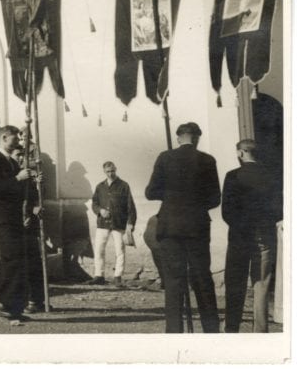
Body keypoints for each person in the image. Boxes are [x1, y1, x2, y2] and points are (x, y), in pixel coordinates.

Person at [145, 122, 221, 333]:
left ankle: (174, 332)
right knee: (202, 279)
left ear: (178, 138)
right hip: (197, 227)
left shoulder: (165, 158)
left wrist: (171, 195)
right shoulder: (207, 160)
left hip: (170, 228)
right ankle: (212, 332)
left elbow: (151, 192)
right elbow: (215, 198)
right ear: (197, 138)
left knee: (173, 281)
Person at [222, 139, 283, 333]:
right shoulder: (272, 176)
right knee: (262, 282)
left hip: (240, 236)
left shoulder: (232, 176)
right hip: (264, 234)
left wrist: (240, 226)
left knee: (235, 281)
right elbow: (278, 209)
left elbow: (227, 211)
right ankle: (261, 330)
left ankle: (232, 327)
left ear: (241, 153)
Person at [0, 125, 38, 321]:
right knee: (12, 260)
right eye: (14, 139)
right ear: (4, 137)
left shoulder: (12, 162)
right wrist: (18, 178)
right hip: (2, 217)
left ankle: (14, 308)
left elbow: (20, 188)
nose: (18, 142)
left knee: (18, 261)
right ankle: (2, 300)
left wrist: (33, 178)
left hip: (15, 216)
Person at [11, 145, 47, 313]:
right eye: (17, 155)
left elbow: (34, 200)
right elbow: (6, 200)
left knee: (35, 264)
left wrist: (39, 186)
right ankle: (24, 301)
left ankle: (37, 299)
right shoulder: (10, 177)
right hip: (16, 227)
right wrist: (21, 215)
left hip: (30, 227)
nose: (20, 158)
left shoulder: (29, 178)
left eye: (21, 156)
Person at [89, 161, 137, 286]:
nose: (110, 174)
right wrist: (100, 210)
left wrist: (130, 223)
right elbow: (94, 203)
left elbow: (130, 205)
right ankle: (99, 276)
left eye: (112, 171)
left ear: (116, 169)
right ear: (104, 172)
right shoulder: (100, 186)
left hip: (118, 223)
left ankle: (118, 277)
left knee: (120, 250)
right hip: (102, 223)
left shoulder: (124, 185)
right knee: (99, 249)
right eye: (108, 171)